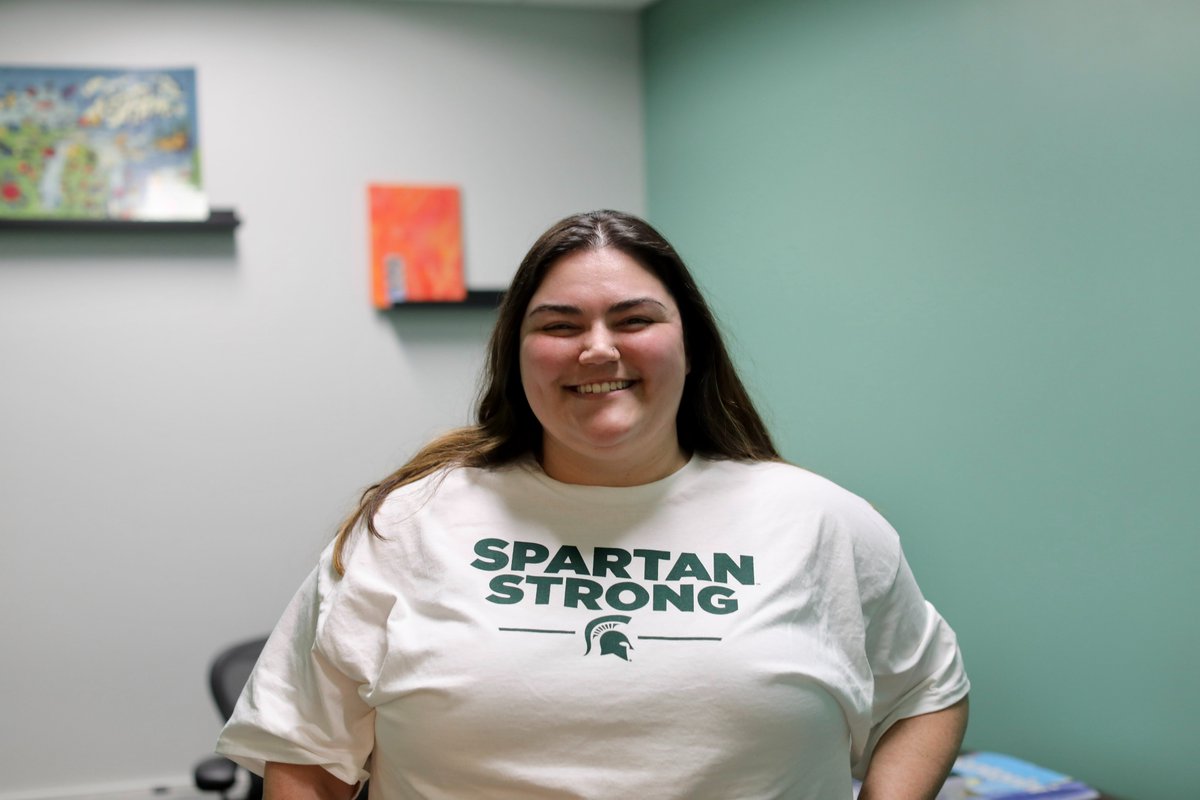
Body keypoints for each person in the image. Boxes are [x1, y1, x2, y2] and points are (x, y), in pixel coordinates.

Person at [217, 210, 970, 799]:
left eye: (634, 320)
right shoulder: (408, 525)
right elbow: (304, 756)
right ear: (517, 354)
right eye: (560, 325)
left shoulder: (821, 523)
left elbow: (927, 692)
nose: (598, 349)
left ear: (691, 346)